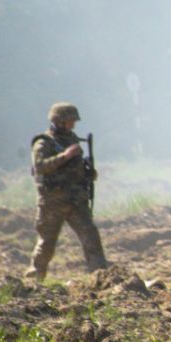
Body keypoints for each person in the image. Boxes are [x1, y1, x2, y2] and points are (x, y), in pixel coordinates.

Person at [25, 102, 107, 280]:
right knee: (47, 242)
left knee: (91, 237)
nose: (73, 125)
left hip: (76, 200)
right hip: (53, 202)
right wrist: (65, 156)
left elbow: (74, 168)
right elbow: (40, 167)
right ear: (59, 121)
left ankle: (101, 277)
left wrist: (88, 173)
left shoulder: (72, 139)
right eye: (70, 121)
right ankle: (34, 279)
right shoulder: (43, 143)